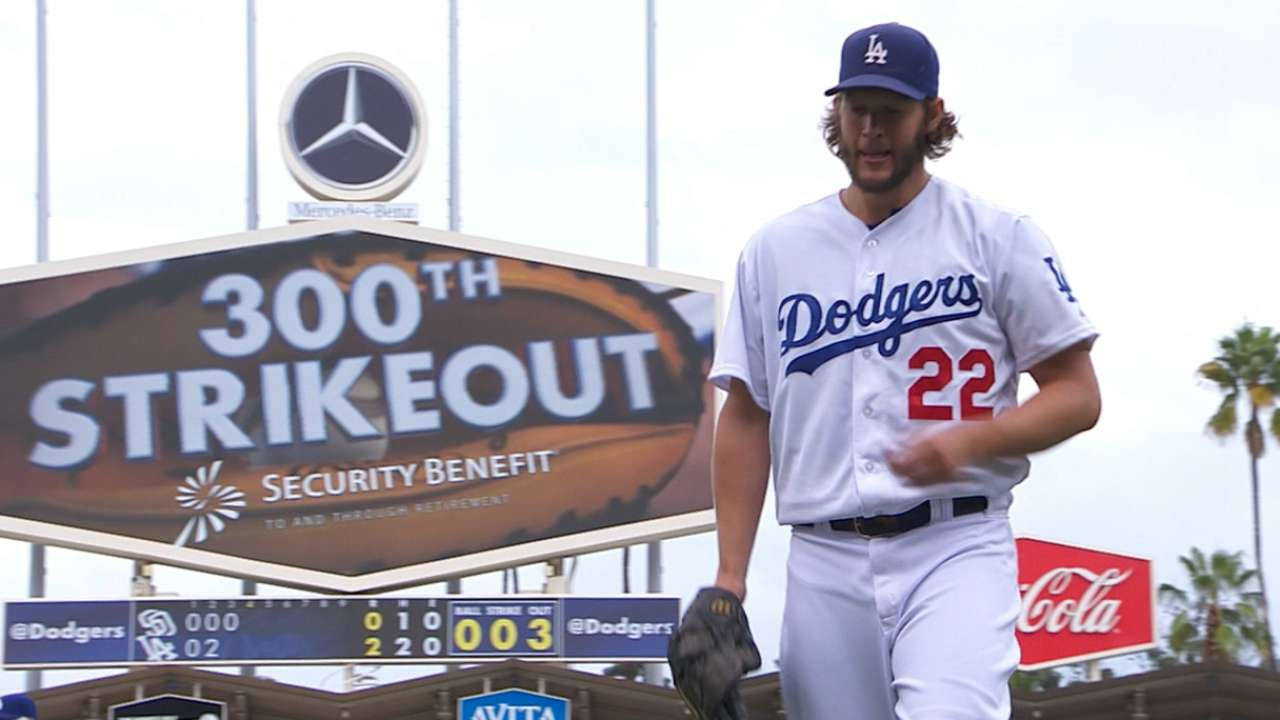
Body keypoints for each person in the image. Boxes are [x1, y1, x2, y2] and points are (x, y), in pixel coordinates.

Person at [706, 21, 1101, 719]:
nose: (871, 131)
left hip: (957, 541)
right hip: (823, 558)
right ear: (836, 116)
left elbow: (1077, 394)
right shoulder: (775, 251)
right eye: (857, 110)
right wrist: (728, 581)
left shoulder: (996, 236)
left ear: (933, 116)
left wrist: (974, 440)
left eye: (890, 112)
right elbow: (746, 413)